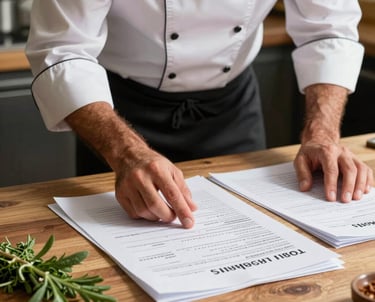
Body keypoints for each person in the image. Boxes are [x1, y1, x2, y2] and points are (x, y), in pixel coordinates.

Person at [26, 1, 373, 229]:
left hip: (231, 105)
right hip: (118, 114)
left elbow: (328, 28)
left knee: (250, 233)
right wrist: (127, 153)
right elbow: (62, 50)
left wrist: (322, 134)